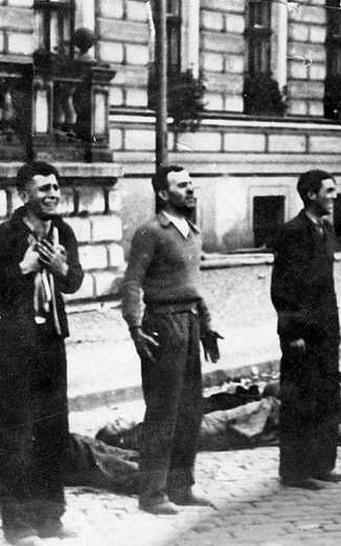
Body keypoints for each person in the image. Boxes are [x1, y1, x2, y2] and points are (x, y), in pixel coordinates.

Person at [0, 161, 83, 545]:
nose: (52, 194)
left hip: (51, 342)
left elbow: (74, 280)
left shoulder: (62, 231)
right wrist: (22, 267)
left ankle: (50, 517)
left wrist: (62, 266)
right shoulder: (5, 235)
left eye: (55, 187)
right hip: (14, 347)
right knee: (17, 434)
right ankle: (18, 526)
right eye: (43, 189)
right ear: (24, 195)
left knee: (53, 431)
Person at [121, 165, 222, 515]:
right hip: (162, 326)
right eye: (182, 185)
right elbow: (132, 282)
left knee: (191, 410)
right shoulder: (151, 232)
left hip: (191, 324)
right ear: (163, 194)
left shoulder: (192, 231)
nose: (191, 190)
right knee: (163, 411)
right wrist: (135, 328)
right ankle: (152, 494)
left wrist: (207, 324)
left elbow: (192, 286)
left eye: (192, 184)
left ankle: (182, 487)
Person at [269, 169, 341, 490]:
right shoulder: (292, 232)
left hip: (326, 329)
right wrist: (292, 333)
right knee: (300, 401)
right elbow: (282, 289)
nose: (334, 196)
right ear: (311, 194)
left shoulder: (325, 230)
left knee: (326, 397)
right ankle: (296, 471)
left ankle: (321, 464)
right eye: (329, 190)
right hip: (301, 333)